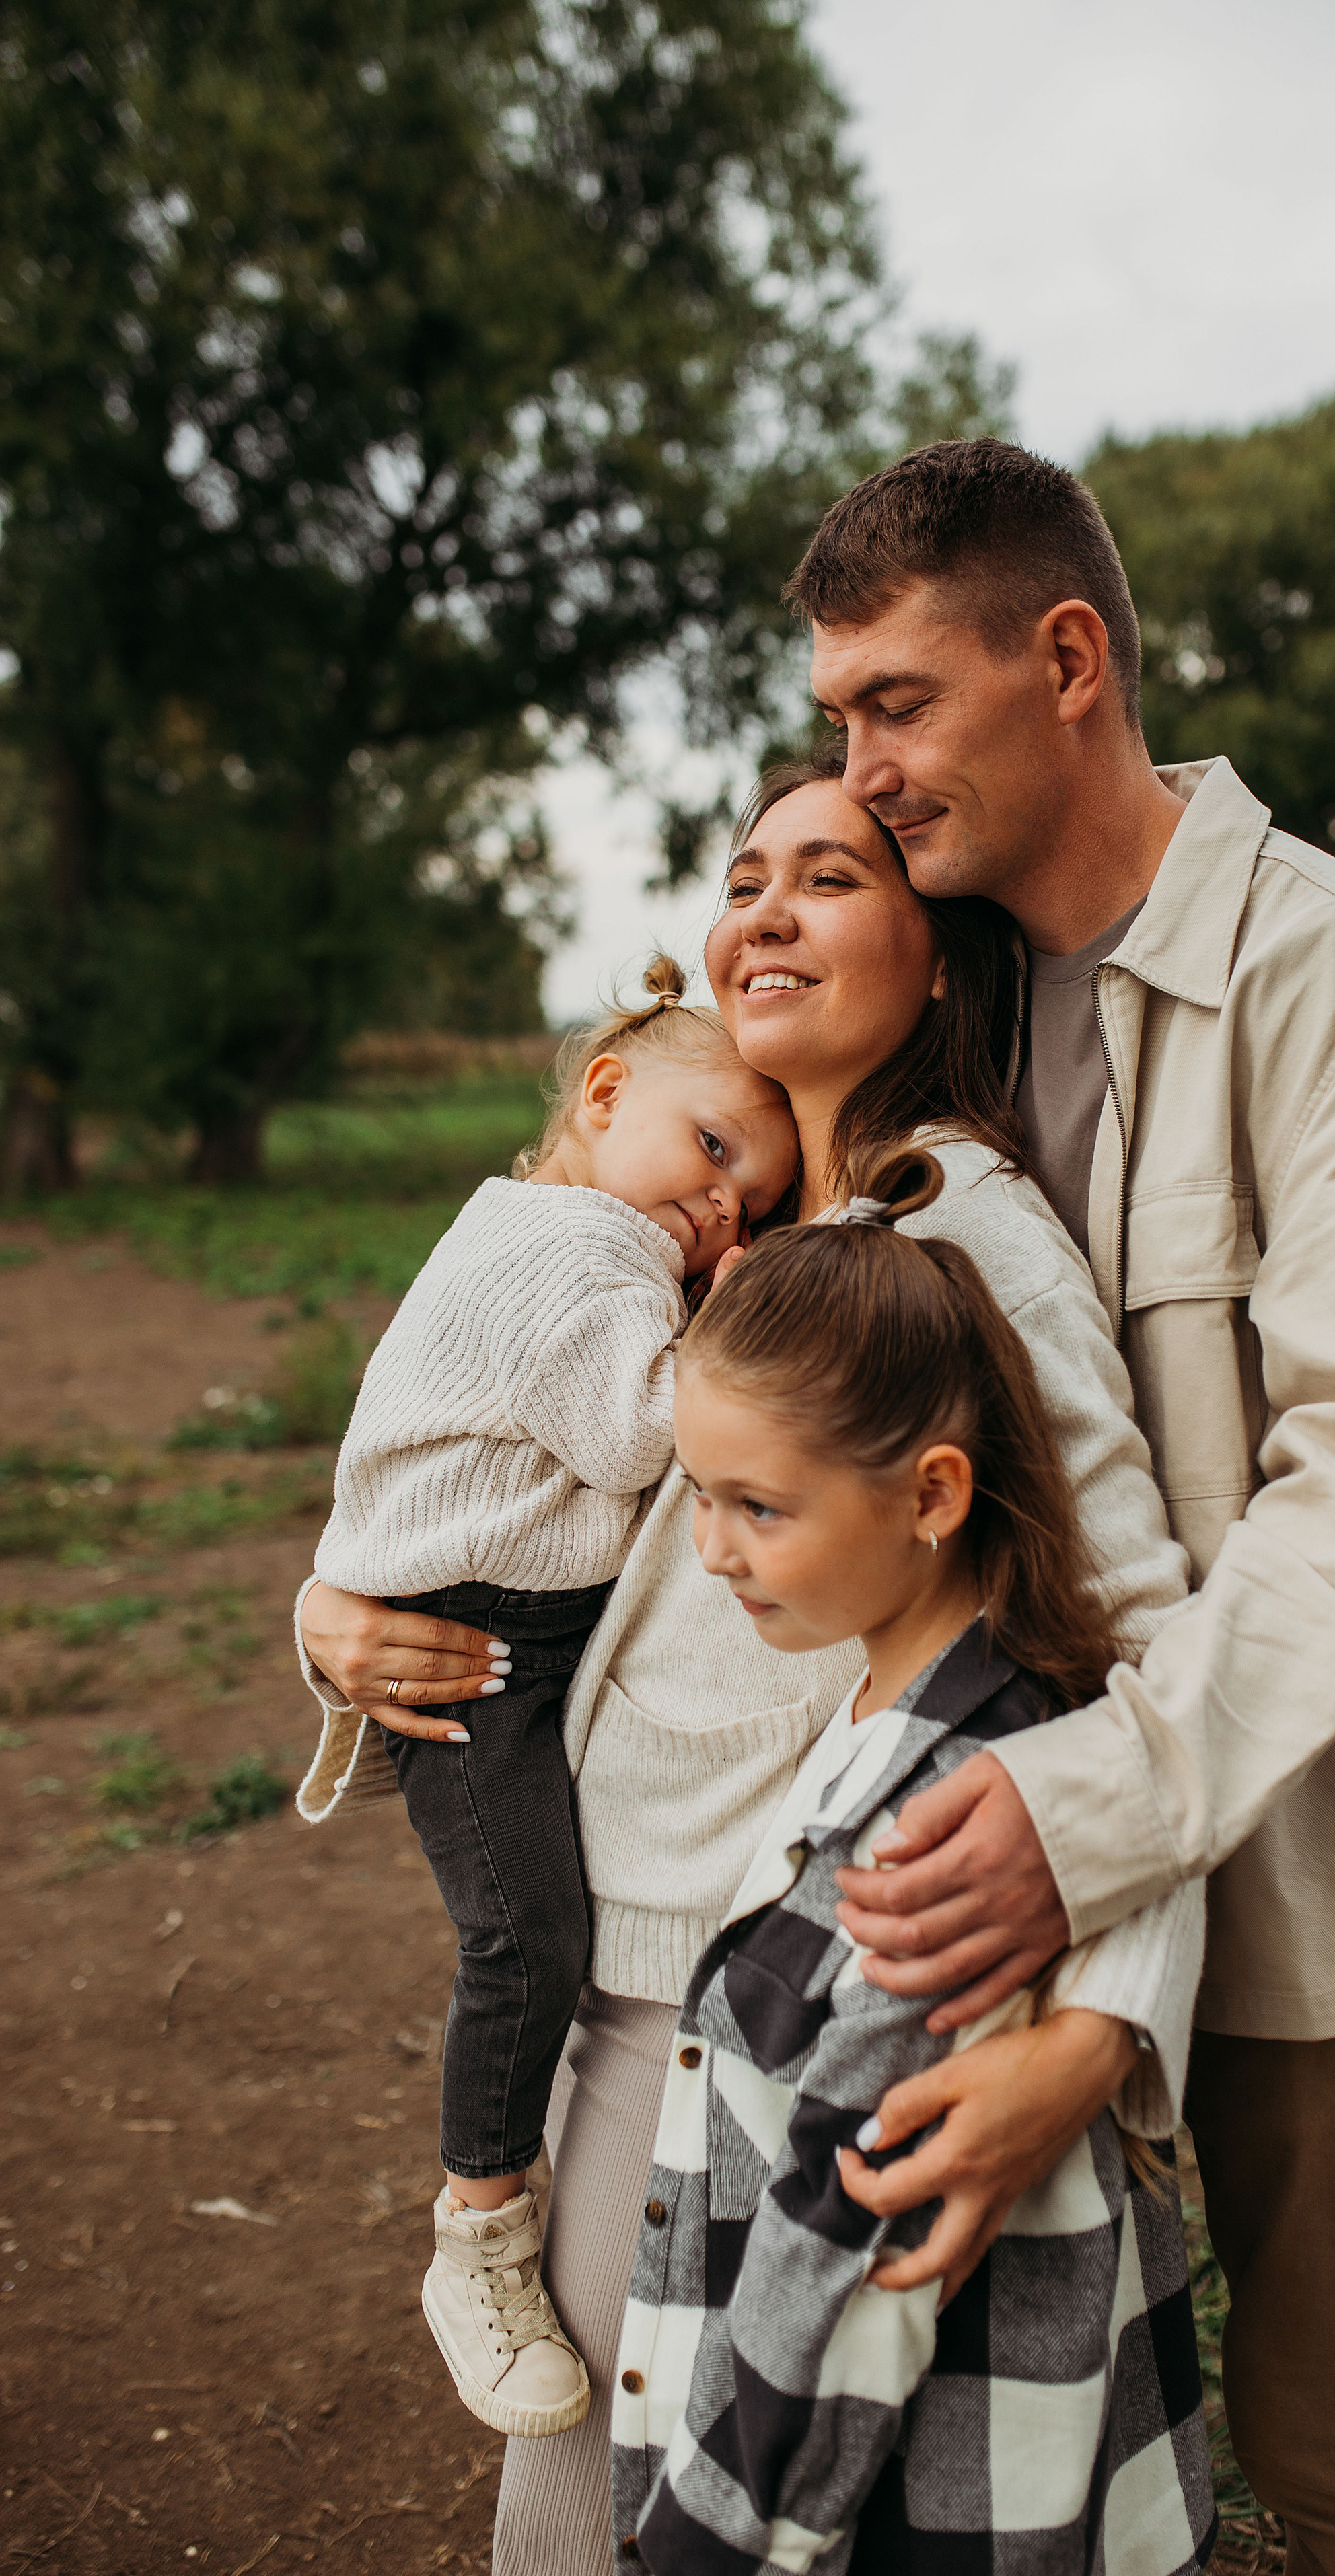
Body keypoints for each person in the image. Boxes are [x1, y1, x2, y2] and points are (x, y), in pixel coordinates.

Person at [776, 437, 1335, 2575]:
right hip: (1003, 1857)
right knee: (1028, 2439)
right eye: (836, 717)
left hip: (1319, 1852)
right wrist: (377, 1597)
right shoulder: (929, 984)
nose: (858, 772)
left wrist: (1094, 1816)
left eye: (896, 705)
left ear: (1069, 662)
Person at [296, 761, 1206, 2575]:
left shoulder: (952, 1234)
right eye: (741, 876)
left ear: (940, 956)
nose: (766, 911)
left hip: (773, 1995)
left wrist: (1106, 2021)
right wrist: (338, 1612)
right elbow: (505, 1475)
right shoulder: (703, 1240)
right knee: (600, 2499)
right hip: (632, 1977)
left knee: (656, 2518)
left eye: (834, 877)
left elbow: (1137, 1641)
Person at [612, 1140, 1214, 2575]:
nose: (713, 1551)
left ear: (933, 1494)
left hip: (909, 2506)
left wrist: (706, 2541)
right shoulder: (900, 1712)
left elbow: (846, 2257)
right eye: (697, 1493)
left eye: (759, 1507)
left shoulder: (943, 1826)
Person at [295, 957, 799, 2439]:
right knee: (526, 1939)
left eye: (752, 1204)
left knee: (548, 1929)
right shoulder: (574, 1248)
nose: (723, 1212)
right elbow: (638, 1434)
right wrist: (740, 1312)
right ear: (603, 1094)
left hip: (516, 1635)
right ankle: (481, 2238)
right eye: (712, 1150)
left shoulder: (571, 1234)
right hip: (476, 1652)